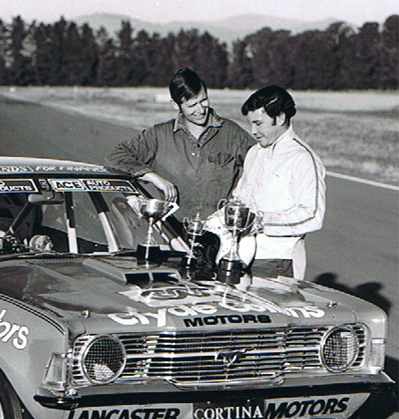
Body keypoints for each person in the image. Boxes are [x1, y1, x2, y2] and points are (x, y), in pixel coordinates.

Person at [105, 67, 255, 222]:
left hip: (220, 229)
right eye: (191, 105)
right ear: (176, 105)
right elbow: (115, 156)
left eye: (203, 101)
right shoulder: (158, 135)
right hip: (172, 231)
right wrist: (153, 177)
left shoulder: (232, 133)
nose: (200, 110)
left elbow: (262, 164)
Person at [221, 85, 326, 279]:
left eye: (259, 124)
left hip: (278, 261)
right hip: (240, 255)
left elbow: (312, 216)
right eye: (250, 124)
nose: (253, 131)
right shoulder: (254, 152)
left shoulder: (302, 158)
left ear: (280, 118)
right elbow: (240, 199)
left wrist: (262, 222)